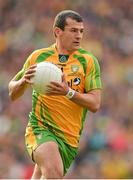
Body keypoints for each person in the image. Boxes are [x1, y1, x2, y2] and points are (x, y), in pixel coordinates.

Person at [9, 10, 102, 179]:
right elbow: (12, 92)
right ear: (57, 31)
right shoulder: (39, 57)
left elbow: (95, 104)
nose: (79, 35)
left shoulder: (88, 61)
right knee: (54, 173)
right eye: (73, 30)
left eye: (81, 31)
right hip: (41, 127)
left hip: (69, 139)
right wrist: (23, 82)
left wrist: (68, 92)